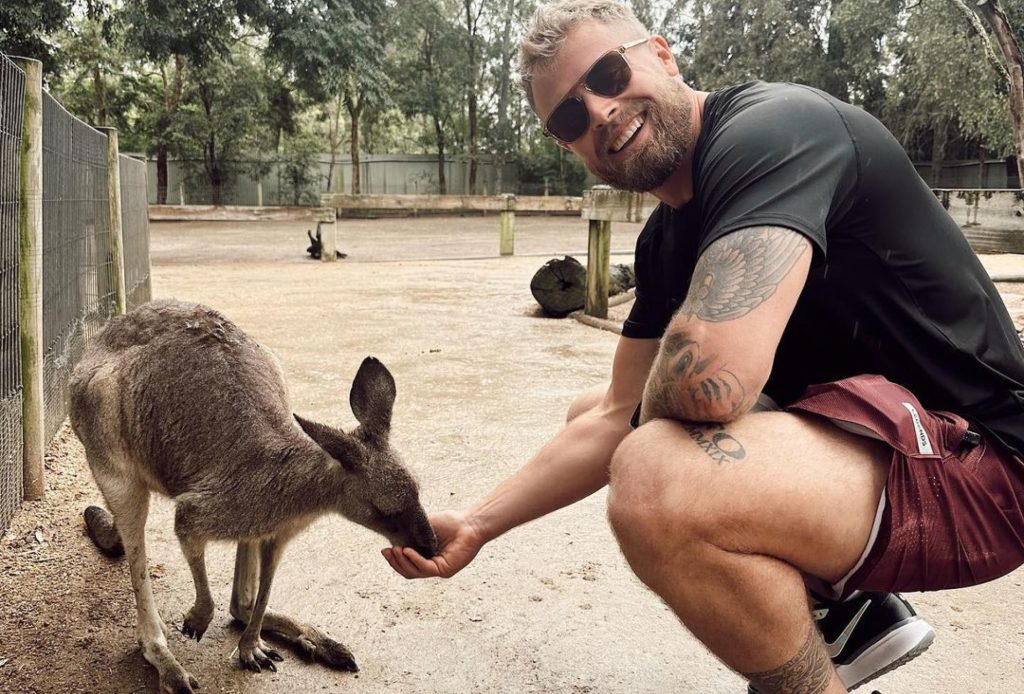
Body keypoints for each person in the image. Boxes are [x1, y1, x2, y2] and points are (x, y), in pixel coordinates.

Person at [382, 2, 1024, 692]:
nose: (598, 112)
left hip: (982, 466)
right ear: (565, 146)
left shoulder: (774, 132)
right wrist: (477, 524)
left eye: (607, 72)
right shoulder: (666, 237)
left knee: (654, 476)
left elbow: (710, 380)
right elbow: (614, 413)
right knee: (593, 412)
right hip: (882, 438)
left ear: (662, 53)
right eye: (568, 118)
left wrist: (643, 424)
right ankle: (851, 613)